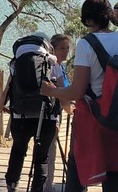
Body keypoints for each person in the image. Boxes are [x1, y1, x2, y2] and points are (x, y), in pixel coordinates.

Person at [41, 0, 118, 192]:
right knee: (114, 174)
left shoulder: (87, 43)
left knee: (77, 168)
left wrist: (51, 91)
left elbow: (77, 91)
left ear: (88, 19)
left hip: (93, 117)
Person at [2, 32, 60, 192]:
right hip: (46, 116)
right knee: (42, 158)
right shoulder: (52, 63)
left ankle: (12, 185)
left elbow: (8, 88)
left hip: (20, 116)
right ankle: (37, 189)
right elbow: (60, 89)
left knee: (18, 151)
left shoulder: (16, 64)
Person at [44, 34, 74, 192]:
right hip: (53, 113)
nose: (65, 52)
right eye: (62, 48)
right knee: (51, 150)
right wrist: (69, 109)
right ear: (52, 49)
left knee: (48, 150)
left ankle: (46, 184)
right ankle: (47, 187)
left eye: (67, 48)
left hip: (52, 112)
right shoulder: (55, 66)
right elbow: (62, 94)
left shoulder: (59, 66)